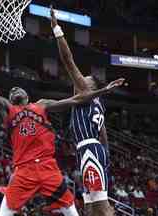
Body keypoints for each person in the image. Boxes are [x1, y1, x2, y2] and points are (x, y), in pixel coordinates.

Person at [0, 34, 124, 216]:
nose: (14, 89)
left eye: (18, 87)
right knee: (4, 212)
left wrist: (103, 91)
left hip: (48, 168)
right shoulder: (7, 109)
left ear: (28, 96)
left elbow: (76, 99)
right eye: (11, 90)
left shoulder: (42, 104)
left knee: (71, 210)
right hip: (23, 170)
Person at [50, 6, 116, 216]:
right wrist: (105, 158)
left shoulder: (87, 92)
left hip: (89, 150)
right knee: (89, 206)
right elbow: (104, 136)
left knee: (101, 207)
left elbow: (68, 61)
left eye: (85, 78)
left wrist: (56, 29)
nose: (80, 80)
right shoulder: (99, 104)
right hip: (94, 150)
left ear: (91, 86)